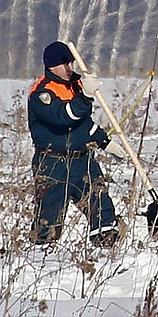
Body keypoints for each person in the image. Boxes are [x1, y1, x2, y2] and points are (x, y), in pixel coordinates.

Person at [28, 41, 126, 247]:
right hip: (53, 163)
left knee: (100, 203)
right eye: (64, 64)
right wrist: (85, 97)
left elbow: (83, 125)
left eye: (70, 63)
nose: (68, 68)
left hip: (82, 160)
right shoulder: (42, 93)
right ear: (51, 66)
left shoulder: (75, 85)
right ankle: (42, 259)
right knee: (49, 216)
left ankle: (105, 247)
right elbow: (64, 117)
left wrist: (104, 142)